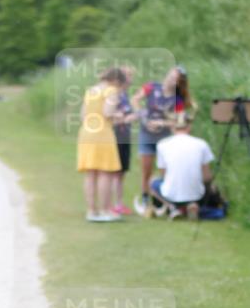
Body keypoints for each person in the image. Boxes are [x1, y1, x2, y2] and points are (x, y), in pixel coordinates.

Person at [131, 64, 194, 216]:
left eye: (175, 80)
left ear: (179, 83)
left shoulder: (178, 99)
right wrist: (144, 116)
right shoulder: (151, 87)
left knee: (165, 172)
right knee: (146, 170)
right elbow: (135, 100)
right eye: (171, 76)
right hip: (146, 135)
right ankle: (146, 200)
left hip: (165, 140)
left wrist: (162, 123)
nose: (171, 80)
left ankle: (165, 202)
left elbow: (179, 122)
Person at [77, 67, 125, 222]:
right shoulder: (111, 91)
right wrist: (119, 115)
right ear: (117, 81)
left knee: (90, 174)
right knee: (105, 172)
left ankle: (91, 211)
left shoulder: (91, 90)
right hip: (102, 133)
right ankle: (104, 210)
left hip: (86, 132)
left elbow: (82, 115)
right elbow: (107, 112)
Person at [149, 113, 214, 220]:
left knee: (153, 182)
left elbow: (164, 174)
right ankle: (191, 205)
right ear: (189, 126)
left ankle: (174, 207)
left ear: (172, 127)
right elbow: (207, 176)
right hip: (197, 193)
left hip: (171, 193)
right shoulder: (202, 144)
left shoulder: (162, 144)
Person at [111, 65, 137, 216]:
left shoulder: (125, 95)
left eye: (131, 75)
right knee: (114, 172)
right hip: (115, 137)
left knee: (122, 172)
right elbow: (108, 117)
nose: (130, 79)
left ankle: (118, 203)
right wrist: (126, 118)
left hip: (125, 137)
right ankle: (111, 204)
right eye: (128, 75)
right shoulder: (113, 95)